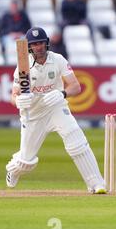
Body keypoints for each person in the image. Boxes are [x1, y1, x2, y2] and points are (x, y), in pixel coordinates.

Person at [6, 27, 106, 194]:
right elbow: (14, 95)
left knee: (75, 138)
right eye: (34, 44)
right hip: (33, 116)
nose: (38, 47)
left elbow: (75, 86)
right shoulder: (23, 67)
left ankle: (96, 183)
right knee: (26, 162)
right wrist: (18, 101)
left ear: (47, 43)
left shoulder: (58, 59)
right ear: (29, 47)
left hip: (55, 108)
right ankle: (13, 169)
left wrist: (62, 93)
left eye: (41, 43)